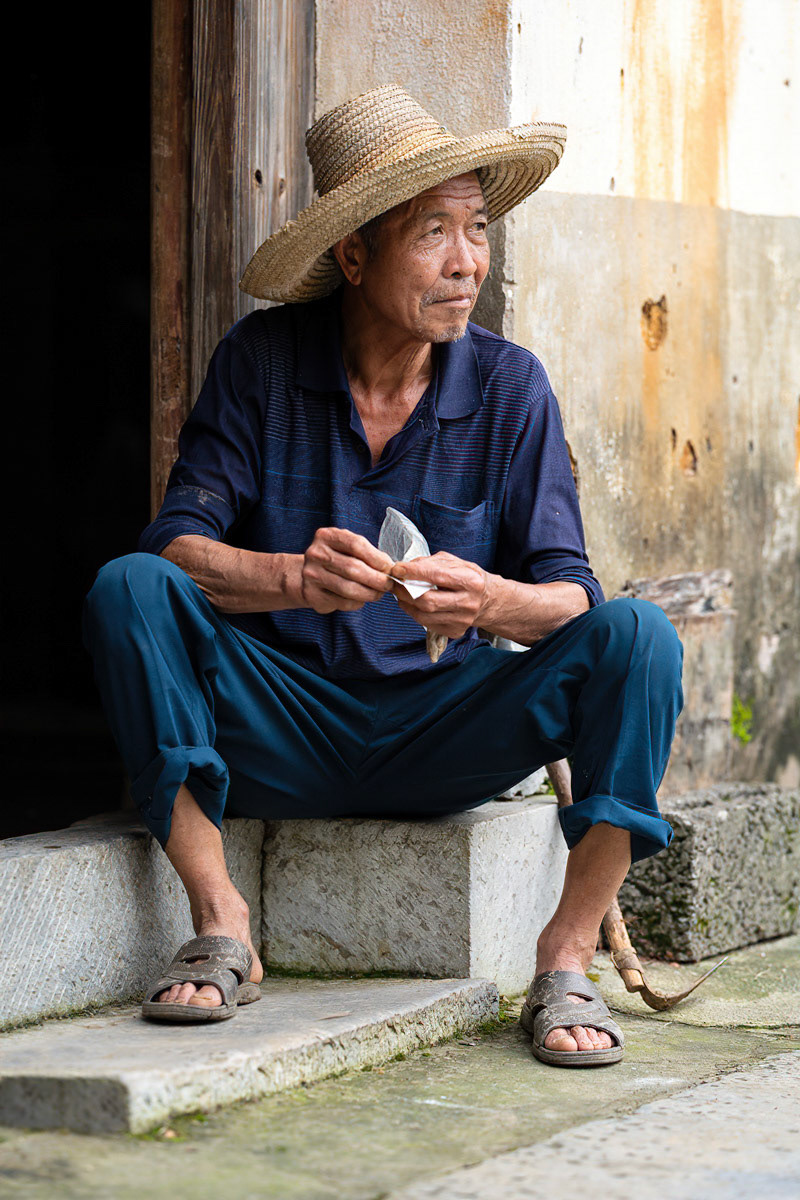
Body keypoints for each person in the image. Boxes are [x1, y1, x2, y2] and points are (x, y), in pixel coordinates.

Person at [83, 86, 683, 1066]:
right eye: (432, 232)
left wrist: (488, 600)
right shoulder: (261, 364)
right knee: (126, 587)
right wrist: (289, 577)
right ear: (353, 255)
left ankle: (565, 955)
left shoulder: (507, 386)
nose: (466, 263)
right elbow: (176, 550)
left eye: (476, 229)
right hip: (277, 726)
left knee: (637, 636)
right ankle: (220, 913)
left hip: (441, 730)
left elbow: (570, 595)